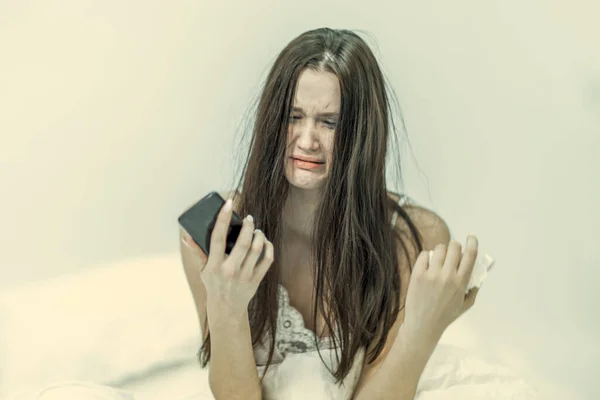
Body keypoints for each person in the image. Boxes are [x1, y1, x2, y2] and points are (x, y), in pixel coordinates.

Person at [179, 27, 480, 400]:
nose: (307, 140)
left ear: (362, 133)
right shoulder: (220, 231)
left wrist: (421, 330)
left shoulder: (412, 236)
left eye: (329, 122)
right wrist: (226, 305)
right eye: (293, 116)